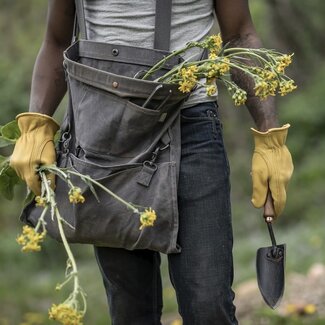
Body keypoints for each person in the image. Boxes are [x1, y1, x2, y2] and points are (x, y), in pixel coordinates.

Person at [10, 0, 293, 324]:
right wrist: (37, 123)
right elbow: (57, 41)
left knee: (208, 306)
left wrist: (270, 139)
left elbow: (240, 35)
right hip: (106, 134)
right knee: (131, 310)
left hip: (191, 127)